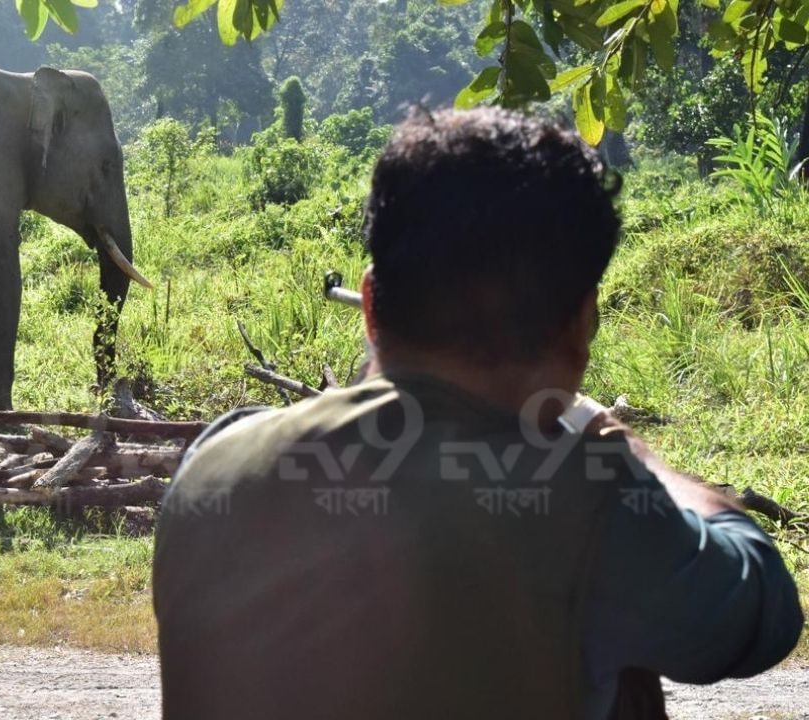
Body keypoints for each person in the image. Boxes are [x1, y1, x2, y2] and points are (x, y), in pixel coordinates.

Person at [153, 107, 803, 720]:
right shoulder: (594, 504)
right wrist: (630, 452)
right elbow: (763, 611)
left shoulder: (214, 461)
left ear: (372, 306)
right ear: (582, 325)